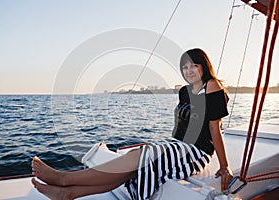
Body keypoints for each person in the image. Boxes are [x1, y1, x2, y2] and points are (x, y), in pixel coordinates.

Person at [31, 48, 233, 200]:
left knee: (137, 156)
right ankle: (69, 194)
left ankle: (64, 179)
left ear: (203, 66)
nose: (188, 71)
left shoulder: (212, 87)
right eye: (185, 67)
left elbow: (215, 128)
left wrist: (224, 165)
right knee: (133, 164)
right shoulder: (184, 92)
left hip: (195, 152)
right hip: (176, 144)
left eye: (193, 66)